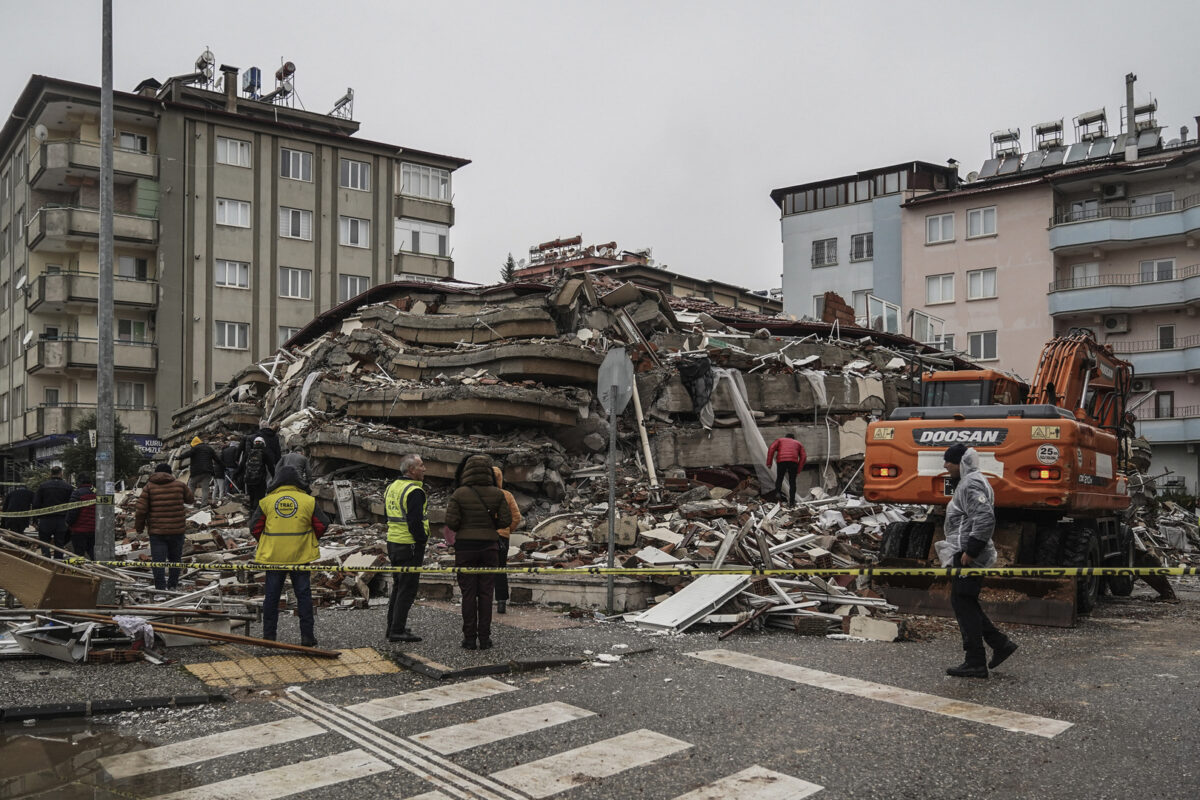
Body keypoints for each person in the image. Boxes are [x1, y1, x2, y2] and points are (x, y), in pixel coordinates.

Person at [942, 443, 1017, 678]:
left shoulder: (971, 484)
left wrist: (972, 550)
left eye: (949, 461)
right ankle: (999, 644)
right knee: (964, 601)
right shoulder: (969, 482)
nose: (945, 466)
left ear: (961, 463)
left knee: (963, 602)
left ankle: (976, 660)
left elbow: (984, 518)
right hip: (966, 551)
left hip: (969, 554)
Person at [248, 466, 328, 647]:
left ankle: (269, 637)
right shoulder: (308, 501)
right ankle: (307, 637)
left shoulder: (267, 502)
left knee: (271, 597)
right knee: (304, 596)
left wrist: (268, 541)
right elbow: (322, 524)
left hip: (274, 556)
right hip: (300, 556)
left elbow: (254, 527)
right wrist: (309, 539)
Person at [444, 454, 511, 650]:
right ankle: (485, 638)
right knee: (486, 593)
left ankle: (469, 638)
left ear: (467, 471)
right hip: (489, 547)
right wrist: (491, 526)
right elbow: (506, 521)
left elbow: (451, 522)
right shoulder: (498, 494)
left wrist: (465, 527)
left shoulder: (459, 494)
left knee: (468, 594)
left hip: (465, 548)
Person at [384, 455, 428, 643]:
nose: (424, 469)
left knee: (398, 586)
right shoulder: (414, 491)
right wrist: (422, 540)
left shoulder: (392, 487)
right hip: (409, 544)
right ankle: (397, 630)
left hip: (393, 542)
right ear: (411, 470)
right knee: (407, 588)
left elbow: (387, 515)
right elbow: (415, 522)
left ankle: (393, 626)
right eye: (421, 465)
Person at [134, 463, 195, 591]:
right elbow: (190, 500)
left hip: (157, 532)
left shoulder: (149, 487)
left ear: (155, 473)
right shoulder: (180, 485)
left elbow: (140, 510)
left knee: (158, 561)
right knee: (175, 560)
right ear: (170, 473)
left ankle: (160, 590)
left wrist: (139, 528)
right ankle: (172, 586)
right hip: (177, 530)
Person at [492, 465, 522, 615]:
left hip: (484, 536)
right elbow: (516, 517)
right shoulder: (507, 495)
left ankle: (481, 600)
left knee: (482, 569)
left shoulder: (479, 494)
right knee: (500, 569)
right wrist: (508, 530)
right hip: (502, 537)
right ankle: (501, 602)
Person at [34, 466, 74, 558]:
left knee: (44, 542)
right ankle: (58, 562)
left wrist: (35, 519)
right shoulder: (68, 487)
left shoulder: (43, 486)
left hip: (45, 519)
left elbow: (36, 503)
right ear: (61, 473)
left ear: (50, 474)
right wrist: (69, 521)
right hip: (62, 520)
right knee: (59, 544)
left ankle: (46, 561)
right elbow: (72, 505)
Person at [766, 433, 806, 506]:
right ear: (793, 438)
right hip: (793, 462)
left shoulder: (780, 440)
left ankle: (778, 493)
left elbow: (771, 448)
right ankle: (792, 502)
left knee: (780, 478)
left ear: (786, 437)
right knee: (792, 482)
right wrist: (798, 470)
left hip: (781, 461)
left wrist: (769, 463)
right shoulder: (798, 443)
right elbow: (803, 457)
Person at [65, 473, 98, 559]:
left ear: (79, 482)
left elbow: (73, 512)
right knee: (92, 552)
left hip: (79, 530)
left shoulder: (77, 493)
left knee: (79, 554)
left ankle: (80, 567)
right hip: (94, 529)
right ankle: (96, 566)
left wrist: (68, 523)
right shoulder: (97, 493)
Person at [184, 436, 219, 506]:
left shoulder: (195, 448)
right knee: (205, 489)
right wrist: (223, 465)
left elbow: (187, 454)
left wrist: (178, 457)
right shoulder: (209, 448)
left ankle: (189, 503)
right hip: (208, 472)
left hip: (196, 472)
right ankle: (204, 504)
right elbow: (216, 459)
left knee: (191, 485)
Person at [243, 437, 271, 509]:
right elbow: (270, 467)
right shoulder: (264, 454)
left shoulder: (248, 453)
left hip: (248, 479)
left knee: (251, 497)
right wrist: (274, 476)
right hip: (260, 480)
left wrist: (236, 475)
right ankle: (258, 513)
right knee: (259, 498)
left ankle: (251, 512)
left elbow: (242, 465)